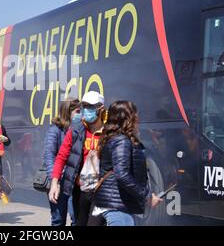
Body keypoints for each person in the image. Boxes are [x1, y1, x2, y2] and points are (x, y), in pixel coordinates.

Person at [92, 101, 162, 226]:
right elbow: (122, 174)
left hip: (116, 203)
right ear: (127, 118)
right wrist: (146, 196)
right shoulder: (121, 141)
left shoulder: (115, 138)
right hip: (117, 205)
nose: (138, 119)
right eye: (135, 115)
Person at [48, 91, 106, 226]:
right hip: (80, 190)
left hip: (101, 190)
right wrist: (54, 183)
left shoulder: (109, 131)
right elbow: (61, 156)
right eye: (84, 106)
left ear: (101, 109)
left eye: (91, 107)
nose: (86, 110)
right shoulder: (76, 130)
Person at [44, 98, 79, 226]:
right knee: (58, 220)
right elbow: (49, 156)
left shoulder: (79, 129)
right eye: (77, 111)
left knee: (77, 218)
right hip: (59, 182)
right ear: (67, 112)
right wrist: (55, 181)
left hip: (74, 182)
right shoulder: (55, 130)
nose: (80, 114)